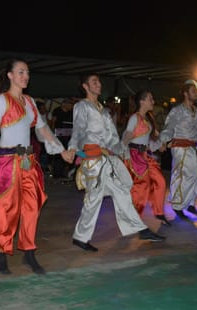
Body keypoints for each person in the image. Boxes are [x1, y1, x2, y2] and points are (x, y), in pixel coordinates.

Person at [0, 58, 73, 275]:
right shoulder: (2, 101)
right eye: (21, 72)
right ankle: (1, 251)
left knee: (32, 207)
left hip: (28, 163)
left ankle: (29, 252)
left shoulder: (30, 101)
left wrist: (61, 150)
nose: (25, 76)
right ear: (10, 75)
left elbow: (43, 129)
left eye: (27, 73)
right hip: (6, 163)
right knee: (8, 210)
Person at [67, 73, 165, 252]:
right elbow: (78, 131)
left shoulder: (104, 110)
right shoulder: (82, 106)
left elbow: (112, 137)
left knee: (122, 192)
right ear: (85, 86)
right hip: (92, 159)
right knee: (93, 200)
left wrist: (122, 151)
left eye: (99, 81)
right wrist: (72, 149)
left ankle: (140, 229)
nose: (98, 84)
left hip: (107, 159)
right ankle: (80, 237)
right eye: (94, 82)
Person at [122, 90, 170, 225]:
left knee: (160, 181)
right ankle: (134, 217)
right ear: (141, 101)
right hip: (135, 156)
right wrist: (123, 155)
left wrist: (159, 145)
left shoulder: (147, 119)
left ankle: (159, 212)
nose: (153, 102)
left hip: (145, 155)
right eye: (150, 99)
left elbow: (147, 140)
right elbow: (126, 138)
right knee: (141, 187)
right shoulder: (134, 118)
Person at [159, 81, 197, 219]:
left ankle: (190, 204)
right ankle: (177, 206)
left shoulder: (196, 111)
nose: (196, 93)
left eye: (196, 91)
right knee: (184, 176)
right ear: (185, 93)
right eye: (192, 90)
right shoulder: (177, 110)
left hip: (193, 148)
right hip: (181, 147)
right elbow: (169, 127)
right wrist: (163, 140)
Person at [50, 98, 74, 178]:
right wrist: (53, 133)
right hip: (59, 134)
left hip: (69, 134)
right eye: (70, 104)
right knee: (59, 153)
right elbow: (53, 122)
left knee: (69, 151)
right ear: (65, 104)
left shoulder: (71, 112)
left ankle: (67, 171)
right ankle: (57, 173)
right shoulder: (57, 110)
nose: (71, 106)